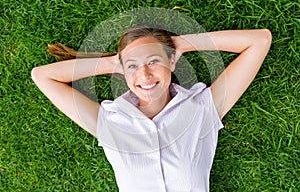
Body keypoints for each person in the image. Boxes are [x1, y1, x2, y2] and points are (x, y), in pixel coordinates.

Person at [31, 26, 272, 192]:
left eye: (153, 61)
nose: (144, 75)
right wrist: (114, 62)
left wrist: (181, 45)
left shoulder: (202, 109)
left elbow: (260, 40)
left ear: (172, 61)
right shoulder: (110, 121)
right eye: (133, 66)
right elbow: (42, 76)